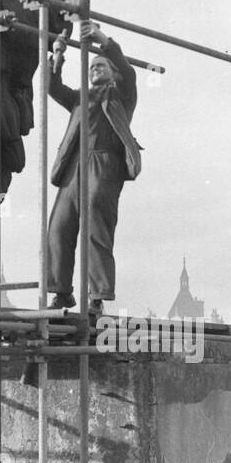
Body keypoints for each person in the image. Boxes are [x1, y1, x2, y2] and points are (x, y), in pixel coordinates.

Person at [46, 22, 142, 313]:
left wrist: (100, 38)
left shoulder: (121, 96)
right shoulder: (79, 98)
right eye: (91, 67)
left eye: (101, 65)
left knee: (96, 230)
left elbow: (128, 72)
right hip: (73, 167)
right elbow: (52, 87)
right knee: (58, 229)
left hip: (103, 165)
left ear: (112, 72)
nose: (94, 69)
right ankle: (62, 293)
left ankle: (96, 297)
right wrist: (59, 53)